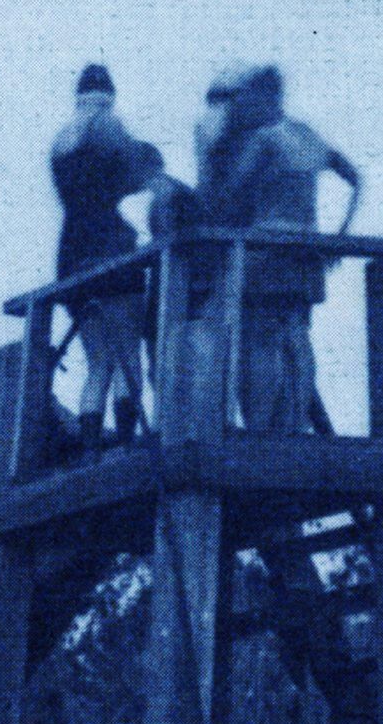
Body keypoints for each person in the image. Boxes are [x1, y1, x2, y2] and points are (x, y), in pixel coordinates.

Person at [198, 65, 360, 433]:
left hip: (266, 247)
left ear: (262, 96)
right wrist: (340, 235)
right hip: (308, 245)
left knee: (261, 338)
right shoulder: (308, 135)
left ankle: (260, 427)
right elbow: (354, 178)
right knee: (299, 336)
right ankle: (295, 424)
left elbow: (230, 192)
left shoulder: (265, 139)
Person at [49, 64, 161, 454]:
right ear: (109, 96)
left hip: (71, 252)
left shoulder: (62, 140)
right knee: (127, 355)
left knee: (98, 362)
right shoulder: (109, 126)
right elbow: (137, 173)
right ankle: (127, 445)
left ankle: (91, 451)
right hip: (111, 249)